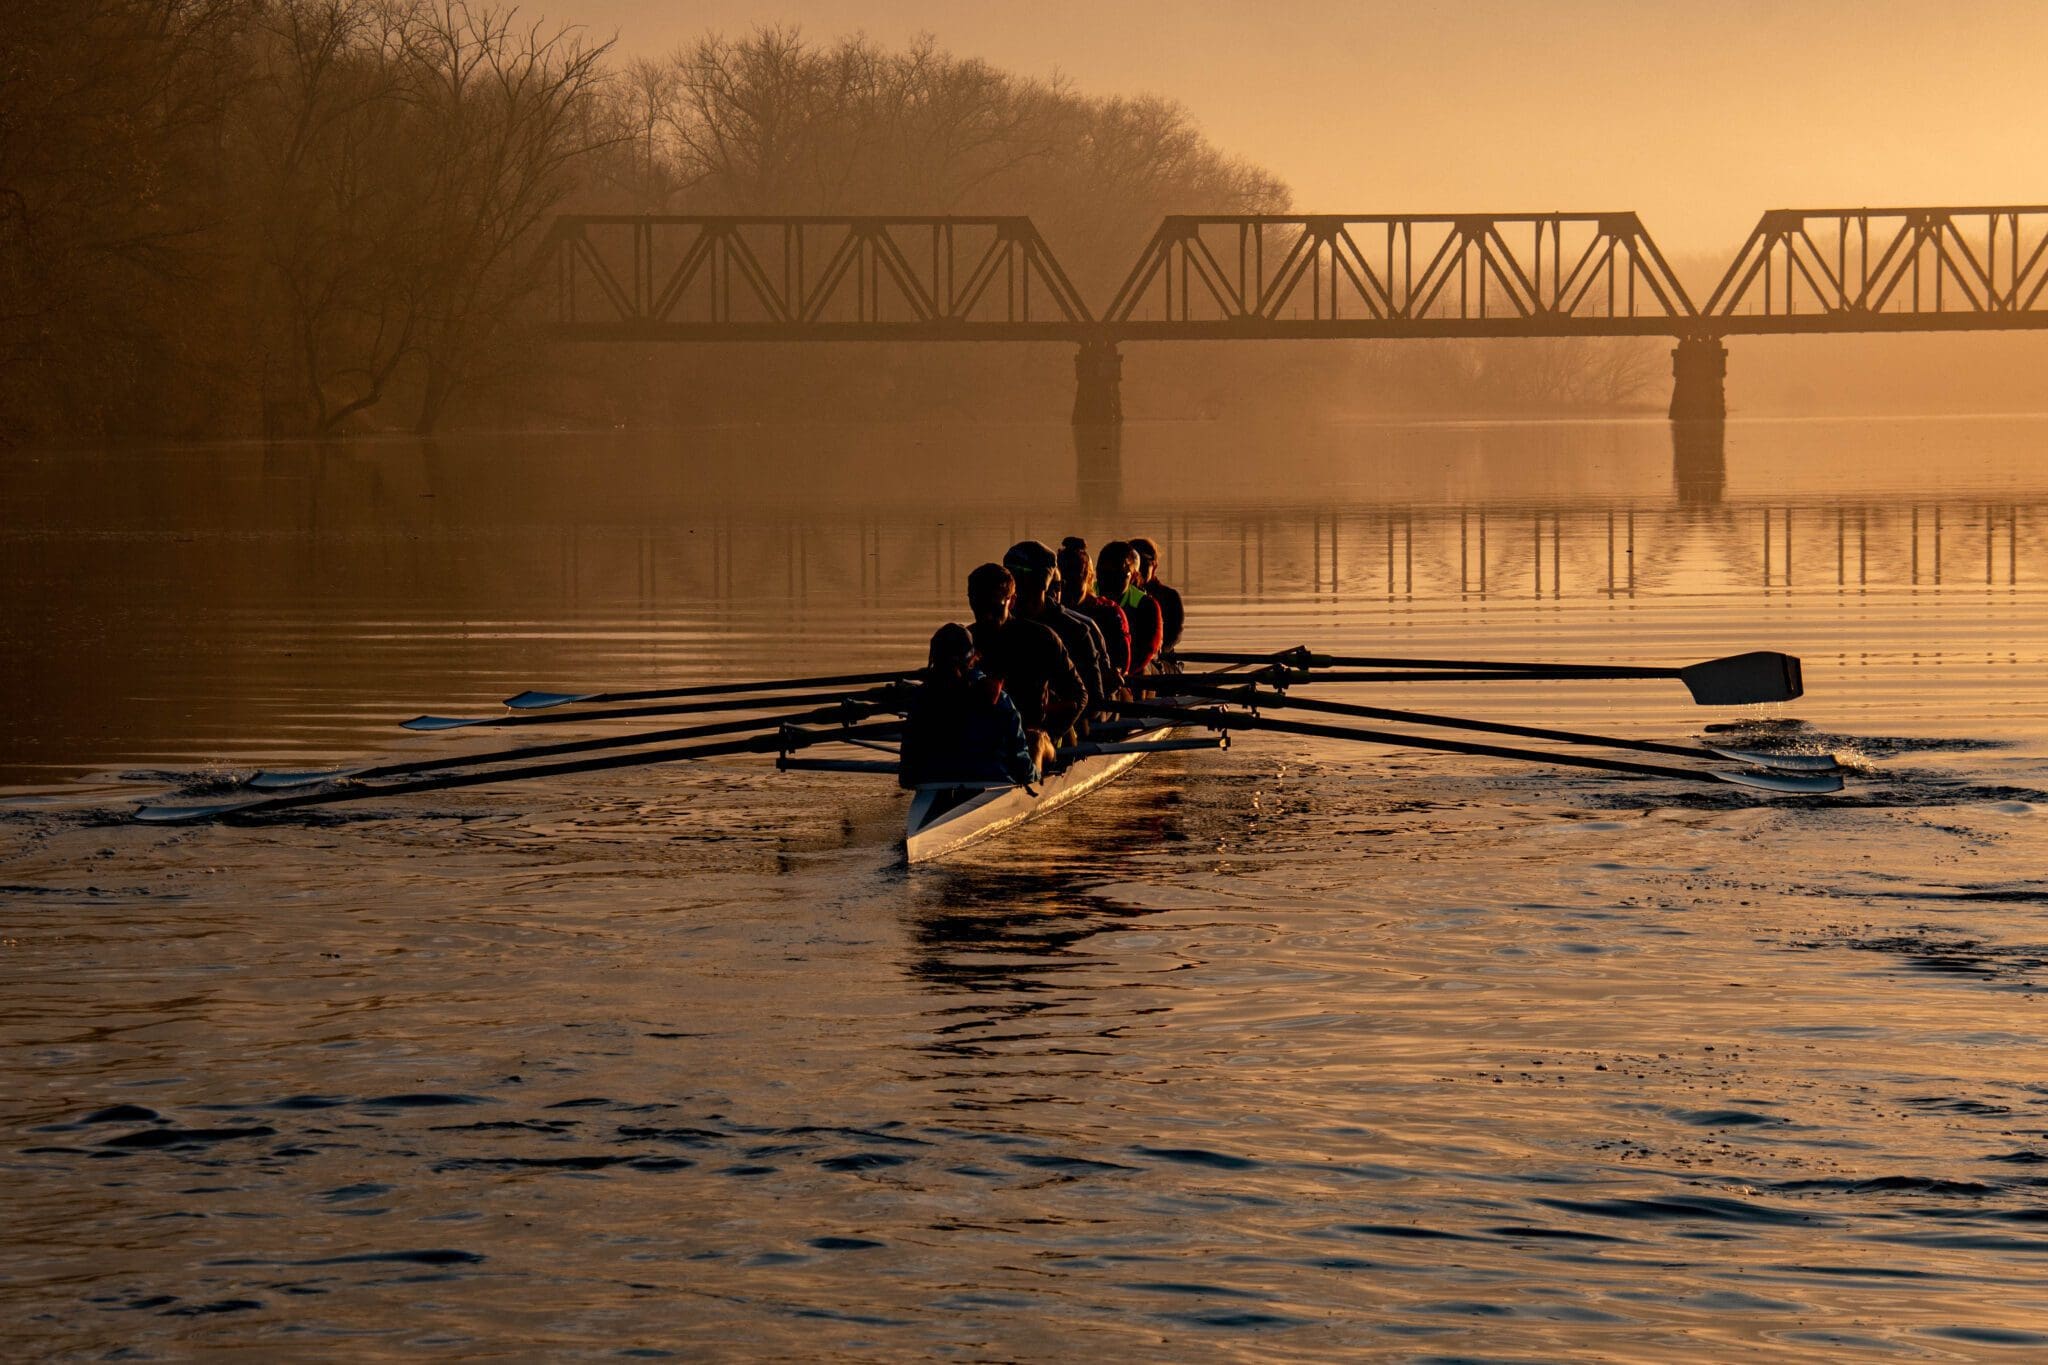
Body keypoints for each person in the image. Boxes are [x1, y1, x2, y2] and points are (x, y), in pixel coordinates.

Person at [898, 624, 1048, 788]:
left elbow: (906, 778)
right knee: (1037, 742)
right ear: (973, 658)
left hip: (931, 785)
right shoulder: (997, 698)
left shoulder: (921, 699)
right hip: (993, 783)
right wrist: (1038, 759)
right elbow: (1024, 772)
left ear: (933, 660)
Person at [966, 561, 1086, 744]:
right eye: (979, 604)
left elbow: (1079, 696)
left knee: (1033, 741)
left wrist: (1050, 735)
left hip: (1032, 737)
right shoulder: (964, 641)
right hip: (981, 738)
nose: (986, 614)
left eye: (994, 604)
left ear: (1012, 601)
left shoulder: (1041, 638)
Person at [1005, 540, 1115, 726]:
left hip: (1060, 730)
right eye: (1009, 571)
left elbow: (1094, 706)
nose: (1012, 579)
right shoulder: (998, 625)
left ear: (1041, 582)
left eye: (1020, 572)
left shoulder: (1076, 630)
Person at [1058, 536, 1132, 689]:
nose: (1067, 586)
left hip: (1105, 690)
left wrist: (1113, 672)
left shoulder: (1109, 613)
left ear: (1089, 577)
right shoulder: (1050, 613)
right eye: (1063, 579)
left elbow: (1122, 663)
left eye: (1075, 578)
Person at [1097, 540, 1162, 679]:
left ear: (1133, 576)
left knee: (1143, 671)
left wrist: (1120, 673)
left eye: (1118, 573)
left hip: (1132, 674)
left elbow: (1146, 652)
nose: (1109, 579)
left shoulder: (1147, 606)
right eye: (1104, 572)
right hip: (1096, 671)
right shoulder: (1086, 596)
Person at [1129, 536, 1185, 660]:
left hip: (1161, 661)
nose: (1138, 570)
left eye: (1144, 564)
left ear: (1154, 565)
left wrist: (1158, 651)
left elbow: (1176, 634)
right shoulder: (1117, 594)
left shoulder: (1170, 596)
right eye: (1135, 564)